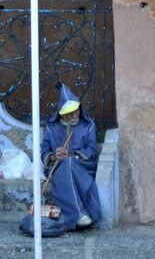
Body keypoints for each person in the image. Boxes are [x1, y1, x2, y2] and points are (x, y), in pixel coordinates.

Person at [39, 84, 102, 230]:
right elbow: (44, 151)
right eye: (70, 113)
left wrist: (72, 154)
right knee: (66, 165)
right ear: (62, 114)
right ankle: (80, 214)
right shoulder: (52, 127)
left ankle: (77, 214)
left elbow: (91, 150)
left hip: (83, 165)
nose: (75, 116)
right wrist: (54, 156)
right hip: (58, 167)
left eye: (76, 111)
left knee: (69, 163)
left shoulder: (88, 125)